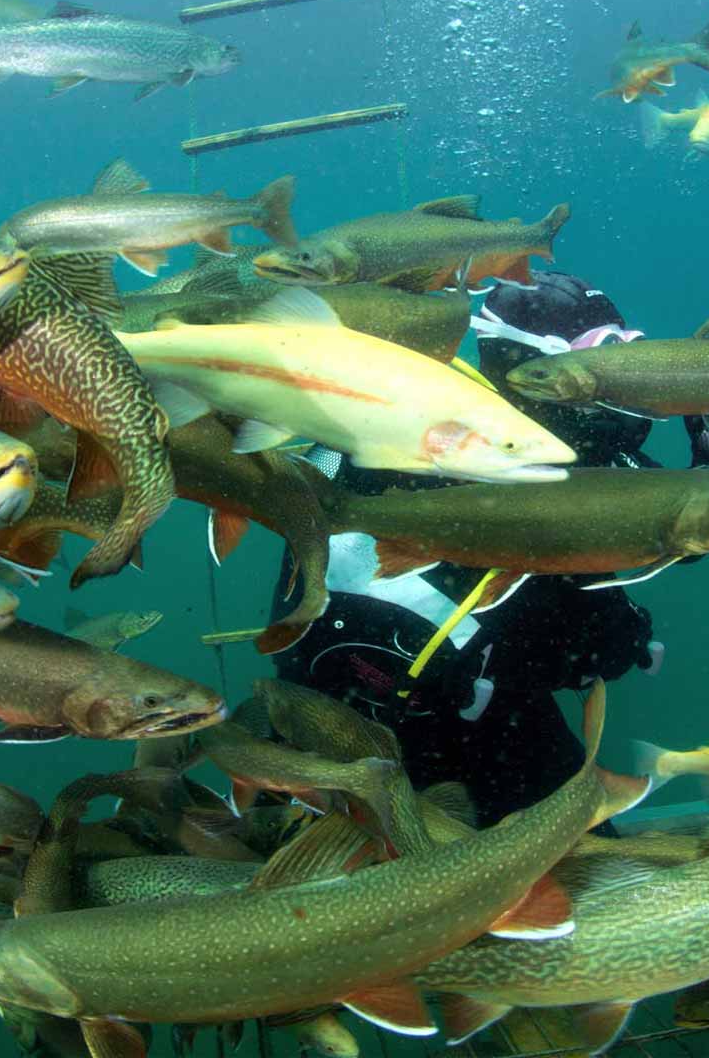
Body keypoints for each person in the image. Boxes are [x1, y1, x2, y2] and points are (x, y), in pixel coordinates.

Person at [267, 273, 663, 825]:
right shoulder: (505, 460)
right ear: (528, 362)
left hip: (317, 715)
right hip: (484, 734)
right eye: (603, 360)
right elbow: (591, 649)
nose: (623, 382)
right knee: (571, 878)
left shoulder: (390, 422)